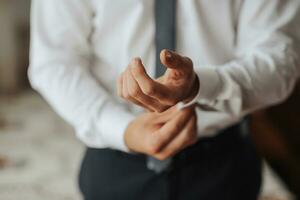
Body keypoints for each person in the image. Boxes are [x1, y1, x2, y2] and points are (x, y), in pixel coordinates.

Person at [28, 0, 300, 199]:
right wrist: (123, 129)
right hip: (114, 165)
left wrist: (199, 85)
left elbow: (280, 61)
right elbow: (54, 61)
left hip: (223, 166)